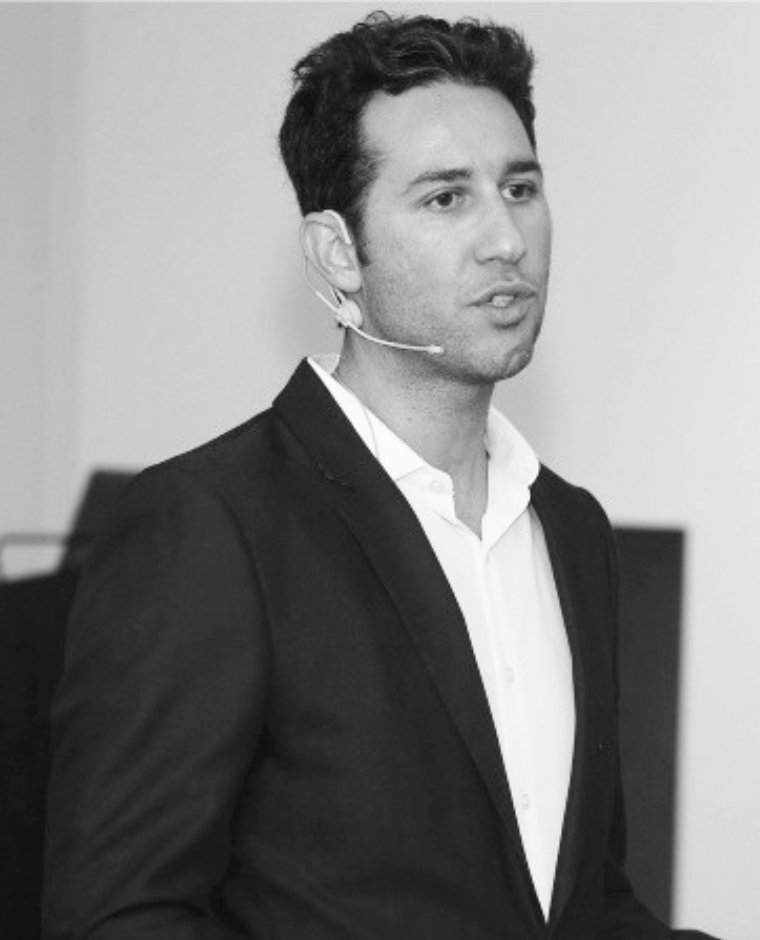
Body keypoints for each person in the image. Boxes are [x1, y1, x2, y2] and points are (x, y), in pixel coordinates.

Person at [43, 12, 721, 940]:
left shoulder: (571, 529)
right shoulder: (208, 523)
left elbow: (587, 910)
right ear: (338, 254)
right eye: (446, 198)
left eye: (520, 188)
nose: (506, 239)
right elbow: (119, 918)